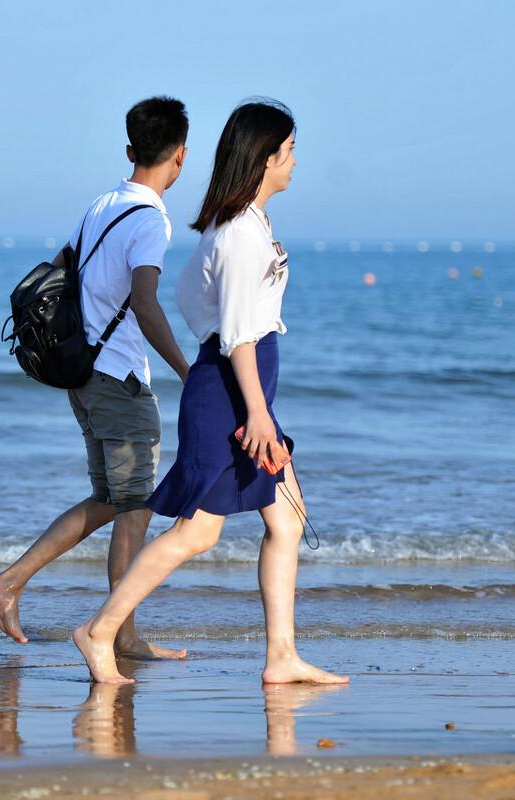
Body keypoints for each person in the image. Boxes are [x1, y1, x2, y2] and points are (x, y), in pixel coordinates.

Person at [73, 98, 349, 686]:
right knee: (197, 532)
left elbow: (196, 302)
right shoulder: (239, 234)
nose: (296, 161)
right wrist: (257, 415)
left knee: (289, 521)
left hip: (239, 389)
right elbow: (240, 338)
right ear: (265, 157)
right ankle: (98, 632)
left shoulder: (242, 223)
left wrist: (253, 399)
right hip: (230, 395)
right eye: (290, 150)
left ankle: (281, 658)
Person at [0, 96, 191, 661]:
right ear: (181, 156)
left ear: (130, 150)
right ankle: (120, 637)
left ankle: (12, 583)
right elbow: (146, 304)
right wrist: (187, 370)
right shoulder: (150, 219)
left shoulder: (101, 204)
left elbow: (58, 270)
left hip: (83, 376)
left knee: (111, 500)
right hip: (120, 379)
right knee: (135, 508)